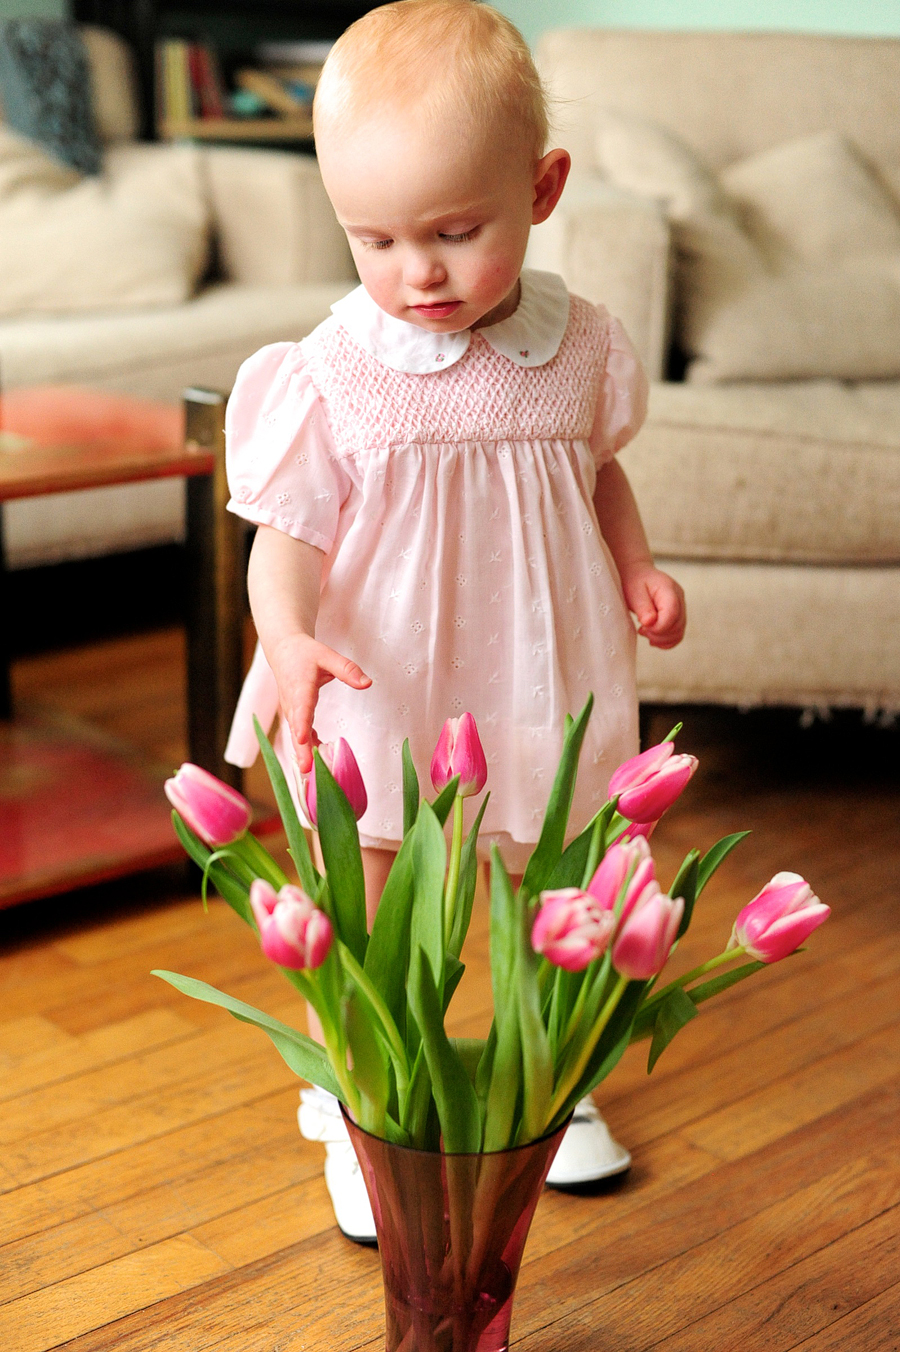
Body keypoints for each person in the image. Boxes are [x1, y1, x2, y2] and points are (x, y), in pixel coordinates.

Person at [223, 0, 686, 1242]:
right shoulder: (335, 366)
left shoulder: (580, 344)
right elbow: (290, 532)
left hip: (544, 654)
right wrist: (286, 636)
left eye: (452, 231)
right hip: (385, 664)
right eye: (372, 239)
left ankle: (549, 1075)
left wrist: (637, 564)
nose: (413, 272)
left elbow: (596, 471)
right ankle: (358, 1098)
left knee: (558, 865)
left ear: (542, 190)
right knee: (369, 879)